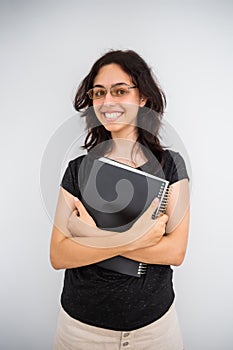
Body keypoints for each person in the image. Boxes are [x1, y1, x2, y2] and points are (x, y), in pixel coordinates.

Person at [50, 49, 190, 350]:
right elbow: (59, 255)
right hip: (80, 332)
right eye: (99, 92)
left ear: (143, 98)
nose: (107, 101)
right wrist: (137, 237)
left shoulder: (171, 166)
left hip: (155, 332)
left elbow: (175, 252)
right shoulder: (77, 170)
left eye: (120, 90)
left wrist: (89, 235)